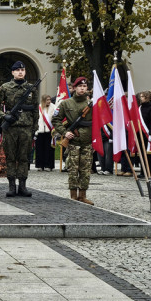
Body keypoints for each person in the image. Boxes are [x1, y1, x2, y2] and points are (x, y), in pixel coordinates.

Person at [0, 61, 39, 197]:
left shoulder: (31, 88)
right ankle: (12, 186)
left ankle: (22, 186)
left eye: (22, 70)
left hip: (26, 128)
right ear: (12, 72)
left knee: (24, 158)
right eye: (17, 70)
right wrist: (4, 116)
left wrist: (35, 127)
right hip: (11, 127)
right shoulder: (5, 87)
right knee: (10, 157)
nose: (20, 72)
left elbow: (35, 109)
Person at [54, 76, 94, 205]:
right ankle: (73, 196)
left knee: (86, 170)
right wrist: (65, 132)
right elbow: (56, 119)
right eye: (80, 86)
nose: (82, 89)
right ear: (75, 88)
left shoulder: (91, 104)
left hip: (87, 141)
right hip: (73, 142)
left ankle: (82, 196)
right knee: (72, 169)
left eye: (84, 86)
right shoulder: (66, 103)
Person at [35, 94, 56, 171]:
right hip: (40, 130)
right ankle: (40, 165)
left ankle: (49, 165)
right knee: (40, 149)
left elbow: (55, 117)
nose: (49, 101)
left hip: (49, 131)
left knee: (49, 149)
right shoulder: (39, 107)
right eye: (47, 100)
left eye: (49, 99)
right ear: (43, 100)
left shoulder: (53, 107)